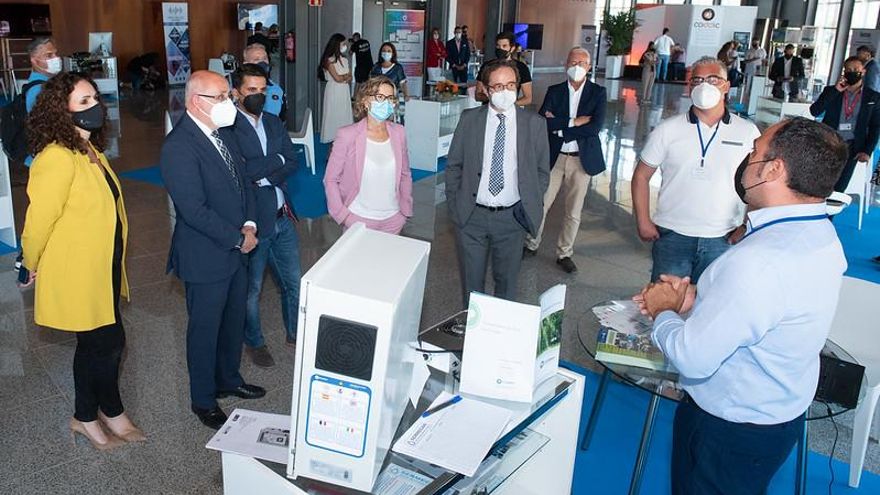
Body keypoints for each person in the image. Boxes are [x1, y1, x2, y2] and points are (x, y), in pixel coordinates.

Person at [634, 117, 849, 495]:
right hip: (774, 417)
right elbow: (768, 307)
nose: (747, 158)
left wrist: (665, 309)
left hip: (729, 429)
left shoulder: (762, 260)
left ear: (773, 169)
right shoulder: (818, 234)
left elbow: (692, 357)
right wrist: (697, 297)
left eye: (755, 151)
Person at [21, 72, 144, 450]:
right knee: (99, 346)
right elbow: (38, 219)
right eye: (84, 102)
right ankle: (85, 417)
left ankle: (111, 410)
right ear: (62, 111)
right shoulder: (56, 158)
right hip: (77, 271)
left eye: (95, 98)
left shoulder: (91, 150)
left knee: (110, 342)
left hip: (103, 265)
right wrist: (29, 261)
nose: (96, 107)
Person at [160, 71, 265, 430]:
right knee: (204, 330)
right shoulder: (179, 146)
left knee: (233, 320)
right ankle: (203, 399)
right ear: (196, 102)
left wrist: (250, 224)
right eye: (220, 97)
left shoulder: (225, 134)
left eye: (228, 96)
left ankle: (229, 379)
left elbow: (244, 183)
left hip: (238, 247)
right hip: (206, 255)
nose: (229, 104)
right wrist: (238, 238)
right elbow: (194, 210)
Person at [631, 57, 760, 283]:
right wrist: (643, 219)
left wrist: (747, 225)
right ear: (690, 87)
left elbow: (759, 183)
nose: (704, 86)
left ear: (727, 86)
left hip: (722, 236)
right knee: (665, 304)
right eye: (698, 80)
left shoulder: (747, 132)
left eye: (713, 80)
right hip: (672, 234)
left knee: (711, 307)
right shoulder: (667, 130)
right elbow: (641, 176)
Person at [446, 59, 550, 304]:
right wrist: (455, 204)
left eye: (511, 85)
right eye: (498, 86)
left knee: (507, 284)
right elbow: (454, 166)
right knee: (472, 285)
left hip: (511, 219)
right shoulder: (470, 119)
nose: (505, 92)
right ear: (485, 89)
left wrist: (528, 203)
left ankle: (499, 335)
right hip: (472, 217)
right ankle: (473, 335)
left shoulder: (534, 124)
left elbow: (541, 171)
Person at [229, 64, 301, 368]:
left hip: (282, 215)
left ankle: (295, 333)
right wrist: (275, 161)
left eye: (263, 90)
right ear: (236, 94)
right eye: (251, 91)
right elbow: (242, 172)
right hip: (255, 224)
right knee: (253, 289)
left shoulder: (273, 122)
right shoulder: (228, 129)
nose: (259, 96)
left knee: (294, 282)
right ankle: (255, 341)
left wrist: (267, 170)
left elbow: (292, 160)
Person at [524, 47, 606, 273]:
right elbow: (542, 122)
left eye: (582, 63)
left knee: (574, 211)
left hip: (581, 161)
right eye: (573, 62)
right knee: (542, 203)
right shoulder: (555, 91)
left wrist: (560, 128)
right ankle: (531, 244)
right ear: (565, 65)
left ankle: (564, 253)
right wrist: (574, 122)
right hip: (555, 158)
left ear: (589, 67)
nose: (577, 67)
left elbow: (595, 127)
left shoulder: (598, 93)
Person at [324, 76, 413, 234]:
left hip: (393, 220)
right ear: (365, 101)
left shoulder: (399, 133)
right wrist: (344, 216)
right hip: (358, 220)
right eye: (380, 97)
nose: (385, 103)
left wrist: (404, 211)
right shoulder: (347, 135)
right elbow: (330, 179)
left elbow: (405, 174)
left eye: (390, 98)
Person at [809, 56, 880, 192]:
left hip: (853, 147)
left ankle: (830, 213)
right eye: (848, 69)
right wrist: (836, 91)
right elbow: (815, 111)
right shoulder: (831, 91)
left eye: (856, 69)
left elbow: (875, 126)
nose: (852, 72)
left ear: (863, 71)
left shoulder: (873, 97)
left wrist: (867, 150)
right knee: (820, 183)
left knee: (840, 186)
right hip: (828, 143)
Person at [22, 37, 61, 167]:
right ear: (34, 60)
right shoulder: (38, 90)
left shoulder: (46, 84)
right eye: (49, 55)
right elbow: (45, 127)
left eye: (55, 54)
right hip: (46, 157)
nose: (55, 58)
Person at [476, 32, 533, 106]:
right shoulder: (487, 66)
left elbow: (528, 98)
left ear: (512, 48)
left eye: (504, 46)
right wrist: (492, 98)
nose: (501, 49)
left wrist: (509, 105)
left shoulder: (522, 68)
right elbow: (478, 95)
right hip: (488, 111)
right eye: (498, 46)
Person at [318, 33, 353, 144]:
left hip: (344, 91)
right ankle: (332, 149)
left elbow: (349, 76)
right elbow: (337, 78)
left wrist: (345, 77)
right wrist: (345, 77)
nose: (345, 46)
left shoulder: (345, 60)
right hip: (334, 91)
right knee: (333, 117)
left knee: (344, 116)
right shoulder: (329, 60)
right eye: (343, 44)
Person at [242, 44, 286, 120]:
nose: (262, 62)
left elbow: (282, 118)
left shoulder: (277, 90)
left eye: (264, 58)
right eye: (256, 59)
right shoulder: (239, 89)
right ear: (246, 64)